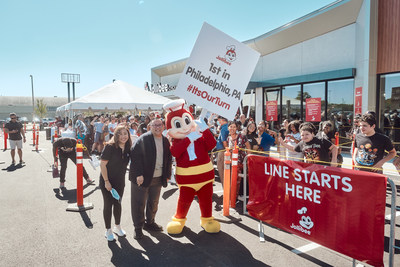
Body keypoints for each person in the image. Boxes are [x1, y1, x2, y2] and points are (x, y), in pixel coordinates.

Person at [129, 118, 172, 240]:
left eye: (160, 125)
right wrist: (138, 174)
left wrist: (167, 175)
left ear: (163, 126)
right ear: (150, 126)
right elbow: (134, 156)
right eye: (155, 125)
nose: (158, 127)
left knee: (153, 202)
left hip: (158, 177)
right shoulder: (143, 139)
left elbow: (168, 159)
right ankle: (138, 228)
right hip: (142, 178)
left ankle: (150, 223)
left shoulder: (165, 140)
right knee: (138, 203)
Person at [100, 125, 132, 241]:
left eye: (125, 133)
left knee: (118, 203)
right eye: (120, 134)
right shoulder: (110, 147)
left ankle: (117, 226)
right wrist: (106, 182)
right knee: (108, 204)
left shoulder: (128, 148)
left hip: (120, 182)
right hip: (107, 180)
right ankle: (108, 230)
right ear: (116, 135)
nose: (123, 136)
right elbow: (102, 165)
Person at [215, 116, 229, 185]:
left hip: (222, 151)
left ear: (223, 120)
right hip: (223, 151)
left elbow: (224, 141)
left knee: (222, 170)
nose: (218, 121)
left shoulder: (224, 129)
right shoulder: (225, 127)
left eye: (219, 120)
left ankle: (225, 189)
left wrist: (227, 151)